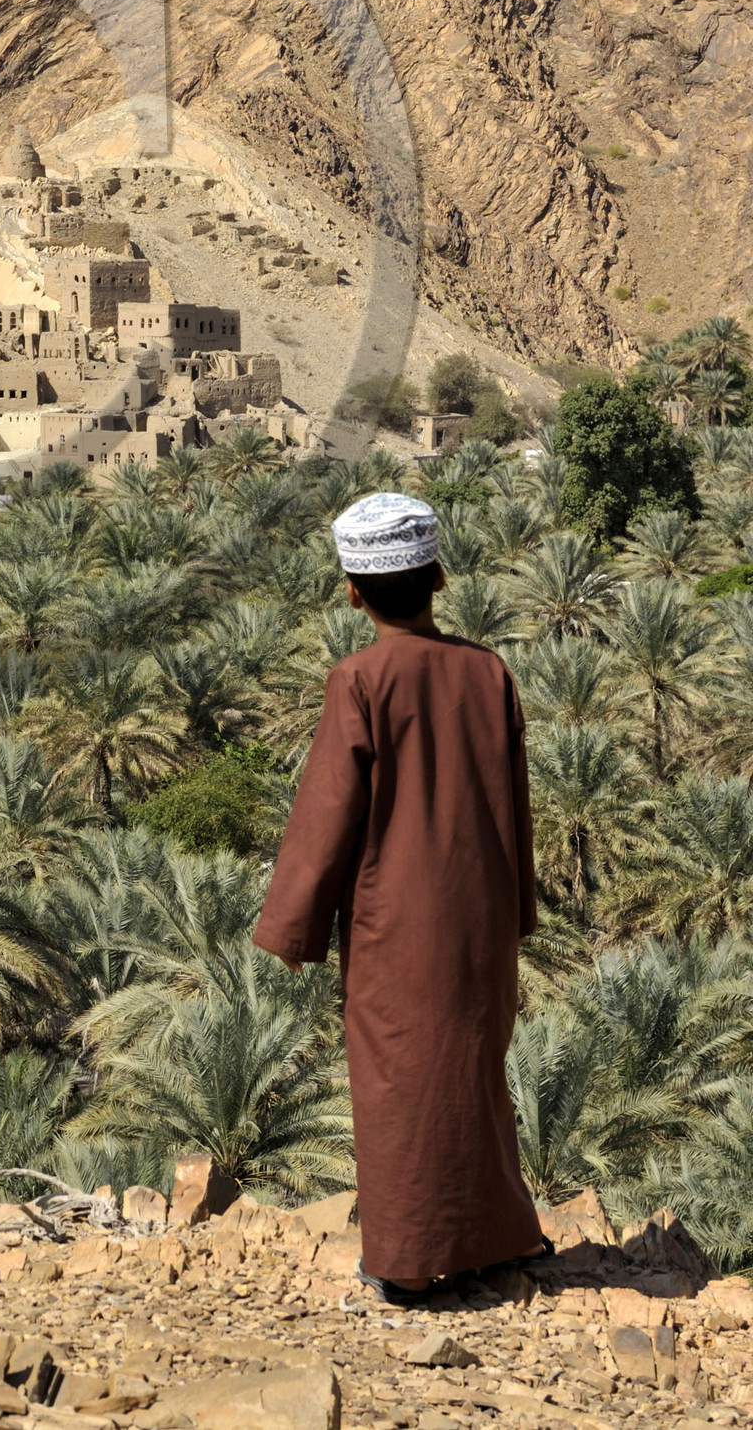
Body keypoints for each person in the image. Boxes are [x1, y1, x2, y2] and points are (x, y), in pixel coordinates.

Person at [252, 490, 544, 1303]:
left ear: (352, 590)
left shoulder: (359, 680)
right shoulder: (488, 671)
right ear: (438, 576)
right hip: (480, 916)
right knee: (477, 1070)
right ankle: (496, 1239)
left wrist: (293, 926)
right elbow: (515, 805)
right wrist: (517, 909)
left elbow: (327, 815)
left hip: (397, 924)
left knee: (401, 1080)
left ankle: (410, 1258)